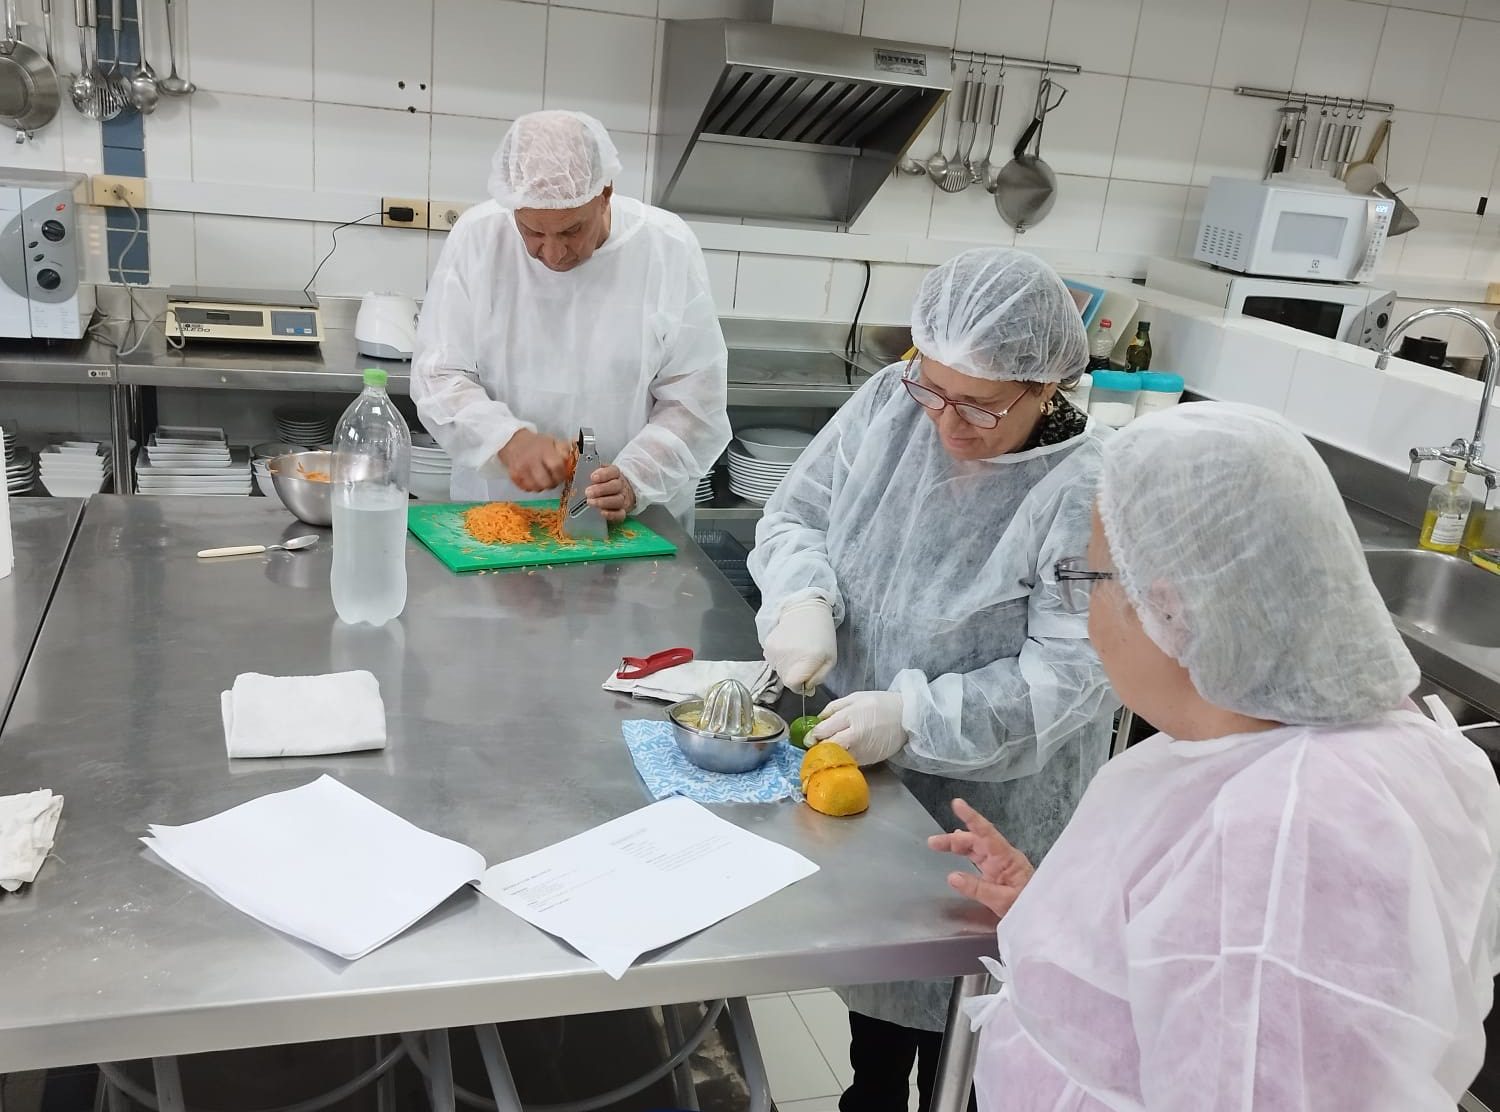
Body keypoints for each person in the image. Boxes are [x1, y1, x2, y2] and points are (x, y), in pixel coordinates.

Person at [932, 403, 1500, 1110]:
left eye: (1090, 577)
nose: (1085, 613)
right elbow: (1199, 977)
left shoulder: (1282, 839)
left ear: (1167, 609)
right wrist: (1057, 914)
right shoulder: (1290, 755)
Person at [748, 248, 1119, 1112]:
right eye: (933, 387)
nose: (947, 422)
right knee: (879, 1005)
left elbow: (1067, 676)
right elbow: (797, 511)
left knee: (979, 1029)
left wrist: (913, 715)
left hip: (998, 811)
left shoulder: (1083, 488)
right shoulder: (890, 402)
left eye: (981, 406)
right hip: (870, 778)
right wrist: (803, 595)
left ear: (1047, 386)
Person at [412, 110, 730, 522]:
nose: (554, 253)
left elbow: (694, 402)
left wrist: (635, 479)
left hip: (629, 525)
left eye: (571, 231)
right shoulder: (479, 238)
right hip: (500, 515)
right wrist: (506, 439)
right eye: (532, 232)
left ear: (606, 193)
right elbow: (438, 375)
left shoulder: (665, 247)